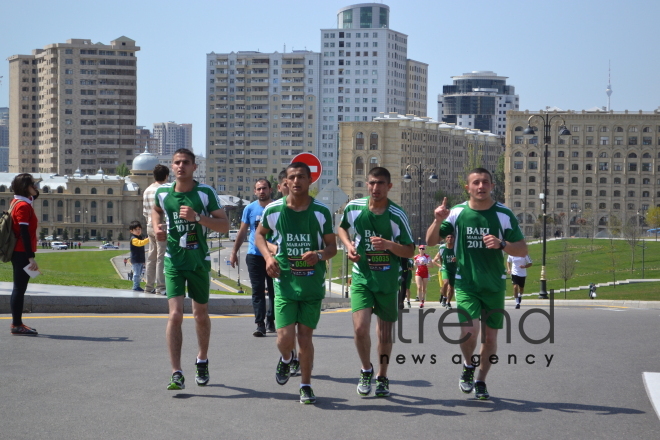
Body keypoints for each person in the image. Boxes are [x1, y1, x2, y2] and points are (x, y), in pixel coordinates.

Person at [426, 167, 528, 400]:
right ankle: (467, 365)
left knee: (490, 339)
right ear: (468, 187)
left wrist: (502, 244)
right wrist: (437, 220)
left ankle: (481, 379)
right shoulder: (457, 213)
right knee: (469, 332)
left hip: (493, 285)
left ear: (492, 186)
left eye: (485, 182)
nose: (481, 186)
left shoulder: (503, 214)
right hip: (466, 283)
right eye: (476, 183)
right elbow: (431, 241)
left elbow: (522, 249)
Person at [255, 162, 336, 404]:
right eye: (292, 177)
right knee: (284, 338)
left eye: (302, 176)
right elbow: (259, 235)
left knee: (305, 337)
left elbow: (332, 246)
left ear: (310, 181)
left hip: (311, 285)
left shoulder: (321, 212)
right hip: (284, 282)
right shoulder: (274, 210)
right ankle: (288, 359)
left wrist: (319, 255)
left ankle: (306, 385)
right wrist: (268, 257)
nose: (297, 181)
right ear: (285, 183)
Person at [152, 148, 229, 390]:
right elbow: (156, 210)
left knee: (200, 314)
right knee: (175, 315)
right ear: (171, 167)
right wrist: (157, 228)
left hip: (198, 262)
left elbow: (224, 226)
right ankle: (176, 372)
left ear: (195, 167)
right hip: (174, 261)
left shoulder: (205, 193)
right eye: (176, 163)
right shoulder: (163, 192)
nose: (180, 166)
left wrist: (197, 218)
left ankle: (202, 359)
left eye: (186, 162)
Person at [338, 167, 414, 398]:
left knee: (384, 334)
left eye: (380, 183)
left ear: (389, 187)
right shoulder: (354, 208)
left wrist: (389, 245)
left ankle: (382, 376)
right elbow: (342, 228)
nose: (375, 188)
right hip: (362, 276)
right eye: (371, 183)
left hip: (388, 280)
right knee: (360, 329)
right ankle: (366, 370)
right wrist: (349, 246)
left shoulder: (397, 214)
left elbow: (410, 250)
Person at [231, 179, 276, 336]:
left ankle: (271, 319)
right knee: (257, 291)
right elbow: (242, 231)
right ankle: (260, 324)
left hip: (273, 256)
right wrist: (234, 253)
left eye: (264, 188)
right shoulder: (250, 209)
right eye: (259, 189)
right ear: (255, 191)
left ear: (270, 190)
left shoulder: (277, 208)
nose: (262, 191)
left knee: (274, 291)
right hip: (254, 255)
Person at [9, 174, 40, 335]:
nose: (36, 187)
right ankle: (16, 324)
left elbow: (35, 195)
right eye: (33, 184)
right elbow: (24, 233)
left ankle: (17, 323)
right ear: (25, 187)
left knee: (20, 288)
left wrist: (34, 190)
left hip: (20, 251)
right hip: (22, 252)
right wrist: (30, 256)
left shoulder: (19, 201)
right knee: (19, 289)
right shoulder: (23, 206)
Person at [143, 164, 170, 295]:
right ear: (166, 176)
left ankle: (148, 286)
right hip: (162, 225)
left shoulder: (147, 190)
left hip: (149, 225)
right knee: (161, 257)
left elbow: (144, 211)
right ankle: (161, 287)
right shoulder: (165, 189)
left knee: (151, 257)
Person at [433, 234, 457, 309]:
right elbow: (435, 259)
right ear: (445, 239)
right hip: (445, 268)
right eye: (448, 237)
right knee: (446, 282)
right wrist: (440, 265)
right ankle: (444, 296)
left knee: (451, 288)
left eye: (451, 237)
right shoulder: (442, 247)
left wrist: (457, 258)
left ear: (454, 238)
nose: (450, 239)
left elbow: (463, 257)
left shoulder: (456, 247)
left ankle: (448, 302)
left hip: (454, 269)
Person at [128, 221, 149, 291]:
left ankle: (137, 286)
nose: (138, 231)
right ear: (131, 231)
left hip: (140, 259)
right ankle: (135, 286)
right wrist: (149, 239)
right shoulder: (134, 239)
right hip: (136, 259)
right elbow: (140, 243)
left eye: (139, 229)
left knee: (139, 274)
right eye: (136, 229)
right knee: (136, 274)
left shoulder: (139, 237)